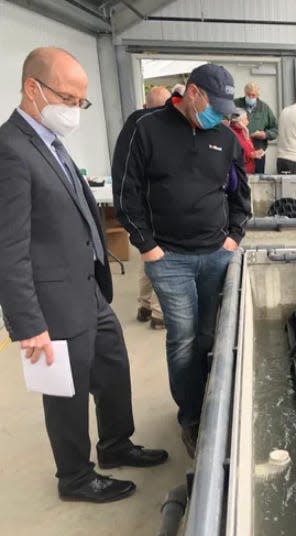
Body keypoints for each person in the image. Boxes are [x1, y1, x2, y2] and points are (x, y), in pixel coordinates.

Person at [0, 47, 168, 503]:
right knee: (66, 393)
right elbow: (8, 247)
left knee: (113, 367)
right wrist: (28, 324)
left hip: (88, 288)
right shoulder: (11, 150)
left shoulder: (49, 144)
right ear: (32, 89)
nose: (75, 109)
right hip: (52, 303)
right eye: (68, 98)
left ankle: (116, 445)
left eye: (81, 101)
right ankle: (74, 477)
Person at [112, 64, 251, 458]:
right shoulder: (145, 127)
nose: (220, 116)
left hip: (215, 254)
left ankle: (213, 405)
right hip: (168, 257)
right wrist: (146, 246)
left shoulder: (225, 138)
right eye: (214, 106)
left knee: (211, 335)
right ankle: (191, 417)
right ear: (191, 93)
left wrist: (233, 236)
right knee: (184, 338)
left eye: (226, 110)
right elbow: (127, 190)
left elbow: (240, 191)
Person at [137, 85, 172, 329]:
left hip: (143, 209)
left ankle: (144, 304)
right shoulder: (163, 132)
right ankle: (159, 314)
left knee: (148, 258)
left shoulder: (135, 129)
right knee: (164, 261)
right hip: (161, 208)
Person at [235, 82, 277, 173]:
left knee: (258, 180)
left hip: (258, 151)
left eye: (253, 95)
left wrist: (265, 134)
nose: (250, 97)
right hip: (239, 152)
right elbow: (226, 122)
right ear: (244, 93)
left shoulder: (264, 108)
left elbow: (275, 129)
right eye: (248, 94)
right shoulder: (235, 104)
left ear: (258, 95)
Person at [226, 108, 262, 174]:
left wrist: (254, 153)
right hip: (239, 172)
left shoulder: (243, 131)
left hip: (248, 171)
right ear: (239, 121)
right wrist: (251, 155)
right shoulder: (232, 134)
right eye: (245, 119)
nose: (248, 121)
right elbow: (235, 155)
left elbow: (250, 149)